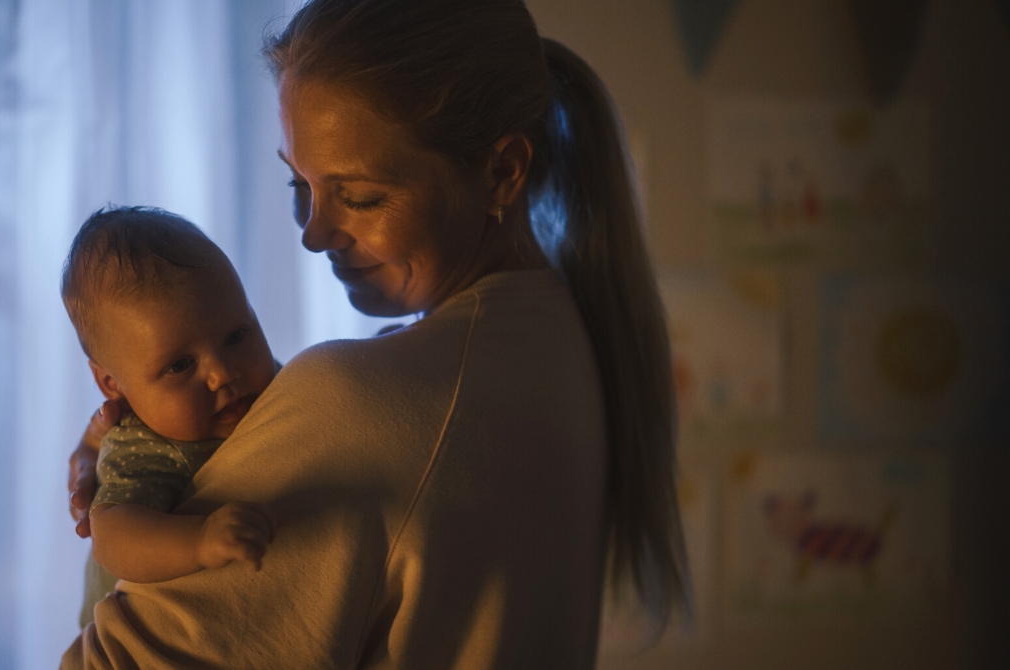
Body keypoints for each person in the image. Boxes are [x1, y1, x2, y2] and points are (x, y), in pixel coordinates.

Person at [63, 0, 687, 667]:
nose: (312, 233)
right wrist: (134, 442)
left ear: (502, 171)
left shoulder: (363, 400)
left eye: (357, 196)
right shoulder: (563, 340)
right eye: (299, 183)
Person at [61, 207, 280, 627]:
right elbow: (111, 536)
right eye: (180, 365)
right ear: (112, 385)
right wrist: (199, 541)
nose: (222, 374)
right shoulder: (146, 445)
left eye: (237, 336)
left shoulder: (269, 385)